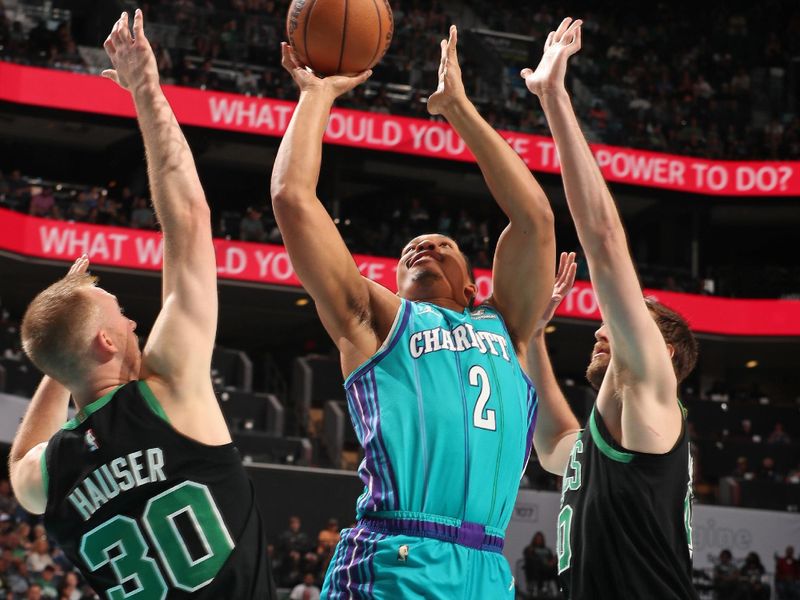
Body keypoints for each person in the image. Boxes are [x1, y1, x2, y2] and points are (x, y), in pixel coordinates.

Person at [271, 24, 555, 599]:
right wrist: (315, 97)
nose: (421, 248)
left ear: (476, 287)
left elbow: (534, 221)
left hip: (486, 569)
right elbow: (292, 201)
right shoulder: (378, 320)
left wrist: (458, 109)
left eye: (442, 245)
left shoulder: (507, 325)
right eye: (408, 253)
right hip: (396, 559)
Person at [8, 10, 274, 599]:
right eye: (120, 314)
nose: (133, 320)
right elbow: (188, 219)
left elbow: (22, 455)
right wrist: (147, 91)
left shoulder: (46, 477)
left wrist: (60, 366)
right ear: (106, 342)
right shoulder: (170, 386)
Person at [520, 18, 699, 599]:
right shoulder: (602, 447)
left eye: (624, 319)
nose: (603, 324)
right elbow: (552, 445)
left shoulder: (650, 385)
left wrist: (554, 98)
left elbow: (602, 237)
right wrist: (531, 335)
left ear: (662, 348)